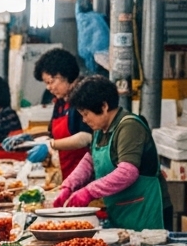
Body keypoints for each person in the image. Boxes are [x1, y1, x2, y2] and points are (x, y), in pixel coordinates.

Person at [53, 75, 168, 230]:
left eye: (86, 114)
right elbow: (90, 161)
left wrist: (89, 192)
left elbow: (128, 172)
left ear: (104, 106)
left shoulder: (129, 127)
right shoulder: (101, 130)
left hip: (145, 210)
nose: (84, 120)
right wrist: (68, 186)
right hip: (122, 210)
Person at [34, 48, 91, 178]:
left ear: (65, 74)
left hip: (85, 176)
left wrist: (51, 144)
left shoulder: (85, 96)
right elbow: (52, 134)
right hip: (65, 174)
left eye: (51, 82)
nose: (48, 87)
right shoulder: (60, 101)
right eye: (46, 83)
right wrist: (29, 140)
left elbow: (86, 137)